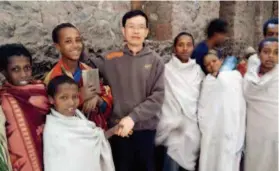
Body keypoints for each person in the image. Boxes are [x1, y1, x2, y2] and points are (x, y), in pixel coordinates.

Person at [92, 10, 165, 171]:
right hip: (118, 130)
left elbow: (157, 97)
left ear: (146, 31)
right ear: (123, 31)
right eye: (131, 26)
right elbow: (85, 66)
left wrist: (133, 118)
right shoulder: (110, 58)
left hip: (145, 129)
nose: (136, 31)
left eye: (140, 27)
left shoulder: (155, 61)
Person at [44, 23, 112, 130]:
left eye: (78, 40)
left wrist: (97, 99)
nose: (75, 45)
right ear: (57, 46)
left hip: (94, 134)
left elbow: (106, 105)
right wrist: (81, 96)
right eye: (68, 41)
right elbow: (52, 113)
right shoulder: (53, 78)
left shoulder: (88, 71)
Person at [43, 75, 115, 171]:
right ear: (51, 99)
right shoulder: (54, 130)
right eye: (64, 98)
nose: (71, 102)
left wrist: (115, 130)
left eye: (75, 97)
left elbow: (97, 137)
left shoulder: (78, 117)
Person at [156, 32, 204, 171]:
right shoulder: (166, 70)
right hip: (172, 127)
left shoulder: (198, 71)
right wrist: (172, 121)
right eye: (181, 45)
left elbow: (201, 100)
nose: (185, 48)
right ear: (174, 48)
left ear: (193, 48)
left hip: (192, 128)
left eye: (188, 45)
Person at [0, 43, 49, 171]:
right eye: (15, 69)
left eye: (27, 68)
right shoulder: (3, 99)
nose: (23, 74)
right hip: (20, 163)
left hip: (50, 155)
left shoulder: (44, 92)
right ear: (4, 72)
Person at [197, 49, 246, 171]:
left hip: (230, 125)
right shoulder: (206, 82)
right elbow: (203, 106)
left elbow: (239, 100)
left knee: (227, 161)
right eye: (207, 64)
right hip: (212, 130)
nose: (212, 65)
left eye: (214, 61)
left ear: (221, 61)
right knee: (211, 160)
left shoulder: (234, 76)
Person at [244, 37, 278, 171]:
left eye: (276, 52)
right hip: (255, 133)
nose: (271, 56)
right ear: (258, 55)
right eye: (266, 51)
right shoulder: (249, 77)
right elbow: (247, 93)